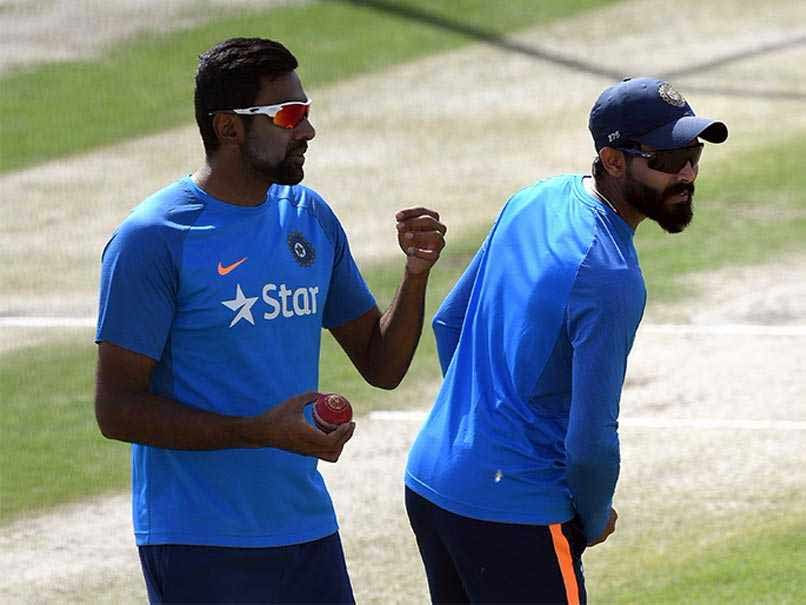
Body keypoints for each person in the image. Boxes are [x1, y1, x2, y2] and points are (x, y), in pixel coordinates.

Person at [94, 37, 446, 604]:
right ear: (229, 127)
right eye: (288, 115)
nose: (306, 131)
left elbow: (382, 365)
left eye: (306, 113)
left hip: (305, 528)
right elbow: (116, 410)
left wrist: (416, 273)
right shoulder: (154, 239)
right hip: (199, 543)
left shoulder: (309, 217)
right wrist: (258, 432)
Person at [404, 77, 727, 604]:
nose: (687, 172)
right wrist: (593, 517)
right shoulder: (611, 276)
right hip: (513, 515)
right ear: (614, 160)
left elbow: (449, 323)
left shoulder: (536, 198)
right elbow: (592, 440)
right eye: (667, 159)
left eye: (692, 153)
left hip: (432, 481)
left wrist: (483, 432)